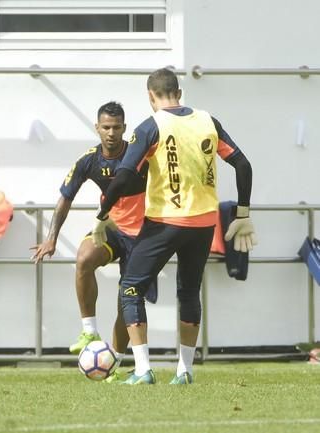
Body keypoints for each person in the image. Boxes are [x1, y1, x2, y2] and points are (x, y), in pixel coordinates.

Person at [92, 68, 256, 385]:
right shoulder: (208, 121)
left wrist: (102, 215)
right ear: (178, 93)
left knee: (130, 288)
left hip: (166, 222)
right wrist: (243, 214)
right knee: (189, 292)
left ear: (150, 95)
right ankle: (185, 371)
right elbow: (243, 164)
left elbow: (124, 176)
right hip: (205, 223)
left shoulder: (152, 126)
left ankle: (143, 369)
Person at [31, 101, 156, 380]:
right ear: (96, 128)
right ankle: (89, 330)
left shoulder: (142, 156)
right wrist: (51, 239)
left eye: (117, 127)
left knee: (128, 298)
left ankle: (115, 362)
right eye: (106, 127)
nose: (111, 133)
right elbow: (65, 197)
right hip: (110, 227)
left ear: (125, 128)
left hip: (143, 234)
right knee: (84, 259)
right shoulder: (89, 160)